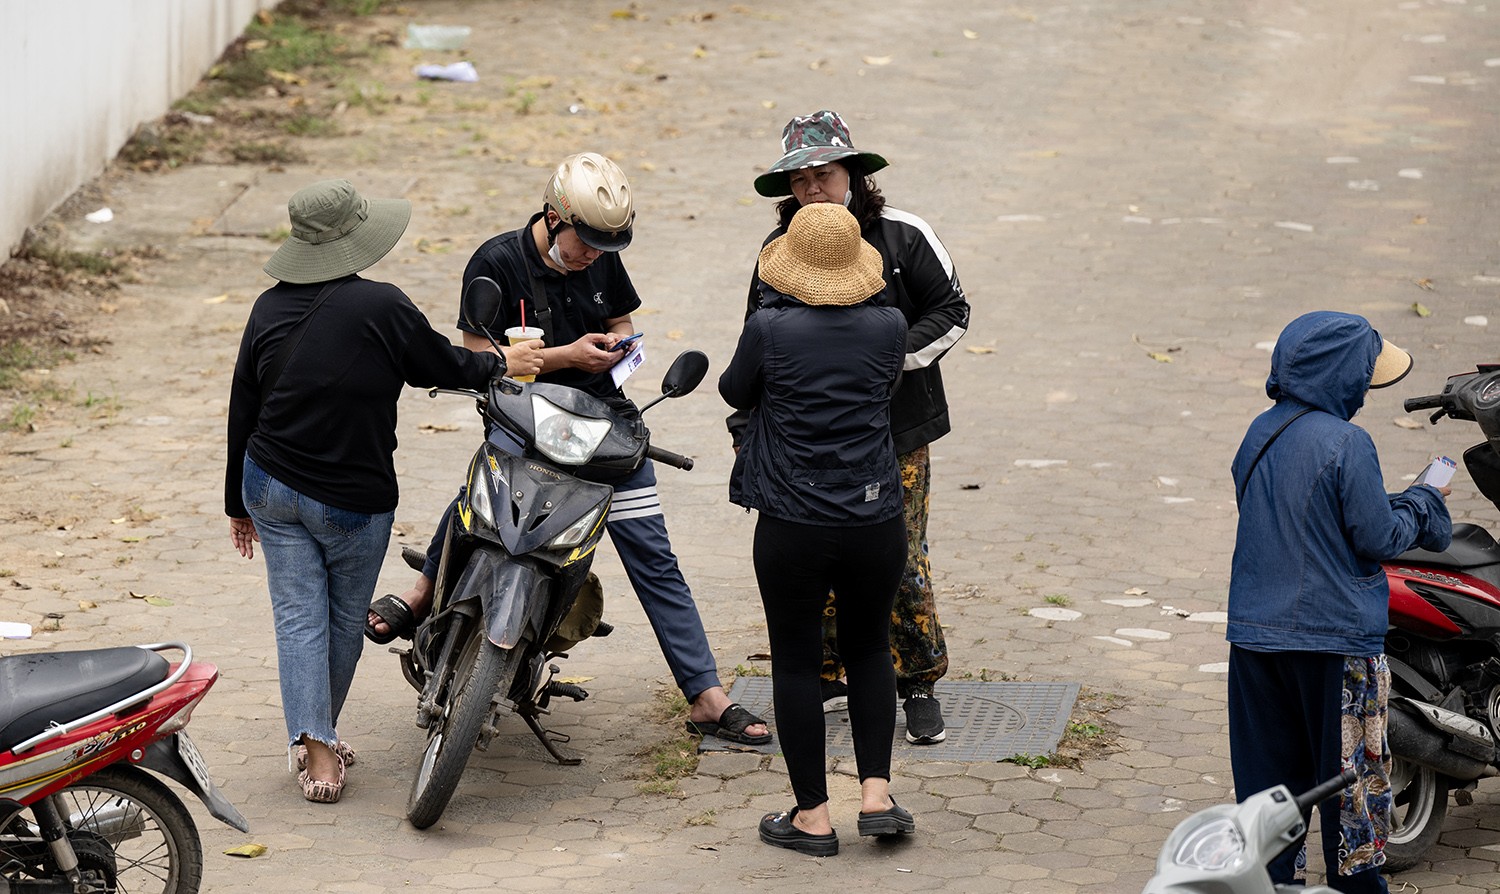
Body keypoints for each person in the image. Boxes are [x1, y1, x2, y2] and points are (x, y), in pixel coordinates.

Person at [365, 152, 770, 746]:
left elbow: (625, 320)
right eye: (583, 243)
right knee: (481, 501)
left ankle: (706, 696)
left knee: (655, 560)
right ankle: (426, 589)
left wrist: (617, 346)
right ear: (554, 217)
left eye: (605, 248)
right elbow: (476, 354)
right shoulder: (496, 261)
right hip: (524, 421)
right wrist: (564, 358)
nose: (591, 258)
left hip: (604, 431)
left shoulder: (601, 261)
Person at [224, 179, 530, 803]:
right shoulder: (383, 306)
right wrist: (506, 364)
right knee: (337, 622)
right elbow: (444, 367)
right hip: (350, 504)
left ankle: (314, 739)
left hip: (270, 486)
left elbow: (241, 406)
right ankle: (318, 745)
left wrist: (236, 502)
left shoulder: (266, 307)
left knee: (296, 618)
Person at [729, 109, 970, 745]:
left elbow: (953, 311)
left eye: (825, 174)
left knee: (900, 558)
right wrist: (745, 425)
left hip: (895, 435)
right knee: (815, 561)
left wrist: (884, 363)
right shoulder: (777, 253)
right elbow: (756, 344)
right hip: (803, 443)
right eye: (800, 178)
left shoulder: (905, 236)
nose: (813, 187)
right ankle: (835, 674)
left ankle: (917, 680)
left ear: (855, 176)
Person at [1227, 311, 1452, 892]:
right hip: (1336, 646)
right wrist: (1424, 499)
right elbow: (1378, 538)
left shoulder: (1259, 431)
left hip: (1254, 639)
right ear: (1345, 376)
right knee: (1351, 796)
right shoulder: (1348, 442)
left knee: (1271, 792)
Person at [721, 202, 914, 856]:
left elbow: (732, 389)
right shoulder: (890, 324)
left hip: (793, 519)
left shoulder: (769, 327)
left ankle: (812, 816)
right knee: (869, 648)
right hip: (874, 516)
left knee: (798, 660)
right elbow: (886, 389)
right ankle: (877, 795)